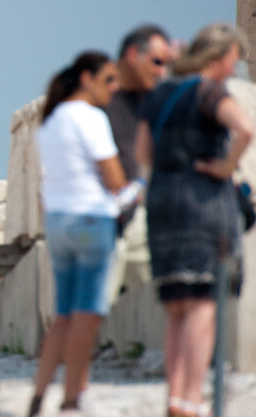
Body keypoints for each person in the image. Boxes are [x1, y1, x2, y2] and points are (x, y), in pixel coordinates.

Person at [135, 23, 252, 417]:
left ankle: (174, 395)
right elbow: (246, 128)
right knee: (203, 302)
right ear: (220, 59)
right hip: (202, 203)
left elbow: (143, 153)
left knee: (176, 306)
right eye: (234, 60)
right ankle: (190, 398)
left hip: (163, 202)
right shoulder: (210, 91)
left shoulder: (162, 93)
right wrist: (225, 167)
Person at [29, 51, 126, 416]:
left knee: (63, 315)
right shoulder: (91, 118)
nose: (114, 88)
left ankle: (39, 395)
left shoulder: (49, 122)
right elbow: (114, 179)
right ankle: (71, 398)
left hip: (58, 221)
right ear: (87, 78)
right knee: (87, 315)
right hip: (91, 219)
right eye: (108, 79)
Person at [104, 25, 173, 300]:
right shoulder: (100, 95)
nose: (161, 72)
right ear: (133, 54)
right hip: (105, 220)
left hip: (142, 218)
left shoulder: (154, 100)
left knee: (155, 301)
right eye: (157, 62)